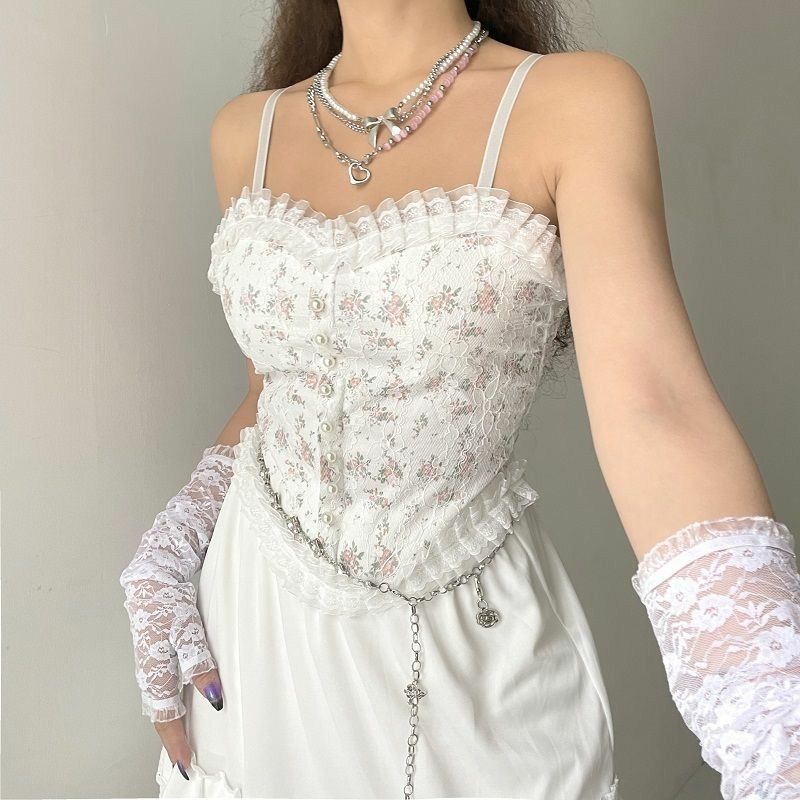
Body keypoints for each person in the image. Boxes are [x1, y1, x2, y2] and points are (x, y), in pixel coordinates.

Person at [119, 1, 800, 798]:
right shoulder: (245, 132)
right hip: (253, 638)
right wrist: (181, 533)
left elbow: (657, 406)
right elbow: (271, 387)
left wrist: (772, 721)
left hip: (466, 654)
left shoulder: (576, 102)